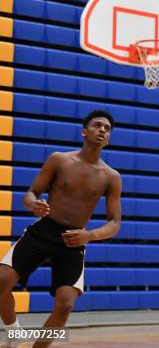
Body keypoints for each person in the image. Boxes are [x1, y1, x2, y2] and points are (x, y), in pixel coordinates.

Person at [0, 111, 122, 348]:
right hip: (43, 230)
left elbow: (115, 223)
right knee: (2, 281)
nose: (102, 130)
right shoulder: (59, 159)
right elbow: (31, 193)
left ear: (108, 138)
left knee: (65, 305)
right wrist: (33, 204)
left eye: (107, 129)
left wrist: (89, 235)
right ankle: (14, 334)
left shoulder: (112, 177)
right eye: (97, 125)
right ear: (84, 131)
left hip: (74, 240)